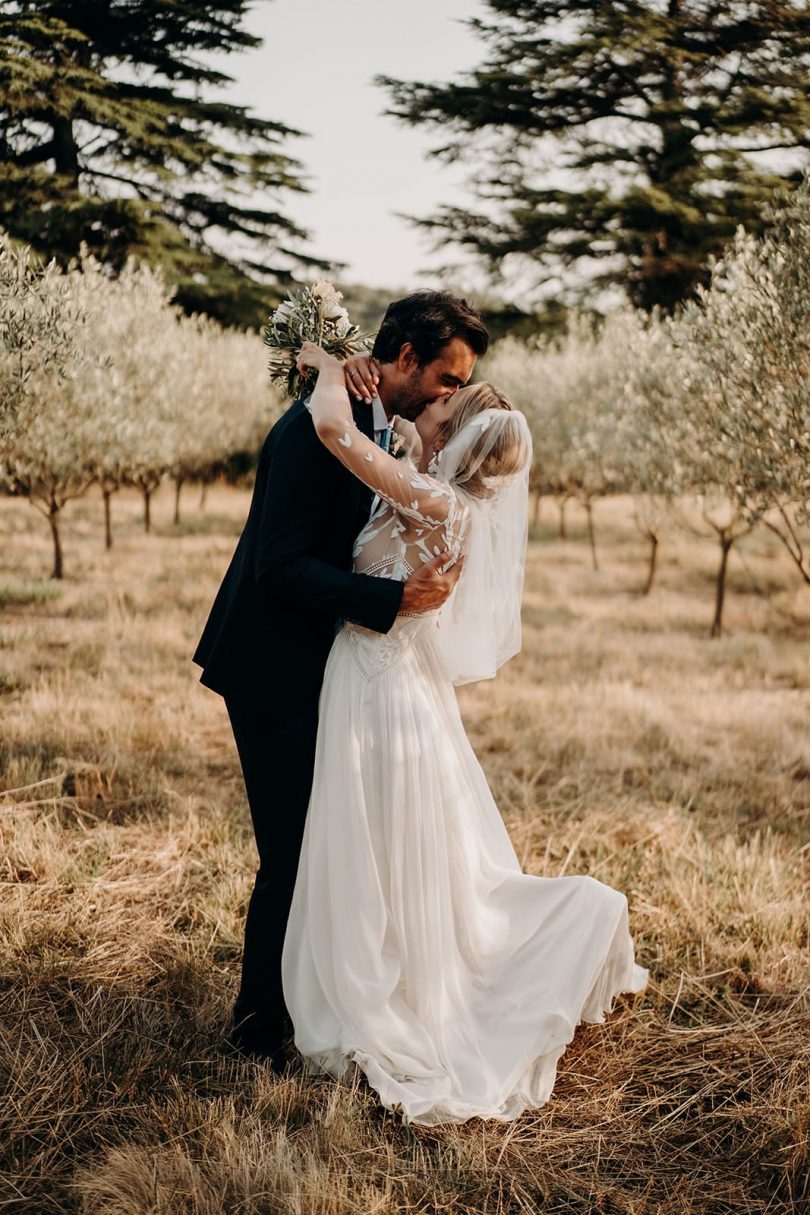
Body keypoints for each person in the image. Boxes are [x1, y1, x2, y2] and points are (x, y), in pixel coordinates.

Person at [281, 342, 648, 1126]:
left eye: (447, 401)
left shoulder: (435, 501)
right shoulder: (445, 494)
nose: (432, 404)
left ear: (459, 435)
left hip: (377, 688)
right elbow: (403, 448)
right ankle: (401, 968)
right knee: (389, 845)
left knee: (370, 841)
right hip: (393, 683)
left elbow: (336, 434)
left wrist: (323, 368)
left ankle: (386, 992)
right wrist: (373, 385)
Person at [193, 291, 490, 1064]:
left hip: (326, 665)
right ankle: (258, 1032)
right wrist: (392, 600)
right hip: (271, 665)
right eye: (447, 380)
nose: (451, 397)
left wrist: (326, 359)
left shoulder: (371, 424)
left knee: (325, 843)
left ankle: (313, 998)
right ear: (404, 361)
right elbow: (278, 565)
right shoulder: (312, 430)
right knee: (289, 851)